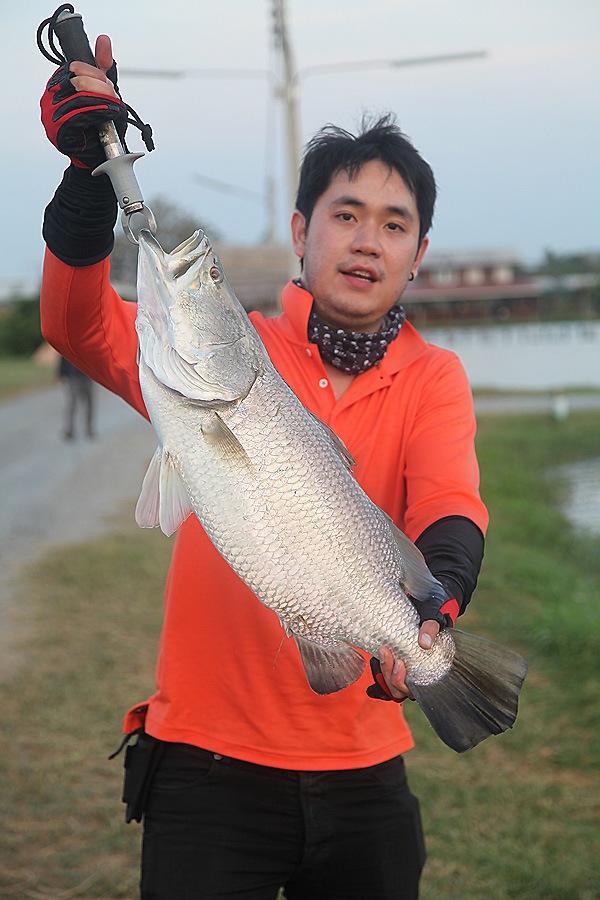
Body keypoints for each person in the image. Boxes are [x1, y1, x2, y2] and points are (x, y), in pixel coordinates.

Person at [39, 34, 488, 900]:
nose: (367, 241)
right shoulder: (232, 356)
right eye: (345, 214)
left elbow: (448, 502)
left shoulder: (435, 377)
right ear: (300, 230)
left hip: (367, 770)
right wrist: (86, 182)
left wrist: (438, 609)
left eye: (394, 225)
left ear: (418, 253)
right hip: (203, 768)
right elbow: (80, 323)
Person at [57, 355, 96, 440]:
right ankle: (70, 429)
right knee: (72, 404)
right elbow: (63, 356)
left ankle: (89, 429)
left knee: (88, 404)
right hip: (73, 377)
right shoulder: (68, 342)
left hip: (86, 376)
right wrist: (61, 373)